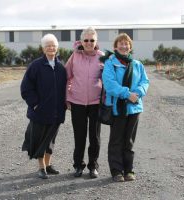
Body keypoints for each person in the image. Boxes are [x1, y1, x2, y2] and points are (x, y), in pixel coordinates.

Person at [101, 33, 149, 182]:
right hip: (117, 108)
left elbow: (145, 82)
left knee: (129, 141)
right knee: (116, 141)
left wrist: (138, 93)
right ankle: (116, 171)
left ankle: (129, 170)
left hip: (134, 108)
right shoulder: (110, 63)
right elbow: (109, 84)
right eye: (120, 43)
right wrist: (127, 94)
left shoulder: (137, 65)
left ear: (130, 46)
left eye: (126, 43)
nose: (124, 46)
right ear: (115, 47)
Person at [20, 34, 67, 179]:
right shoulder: (36, 66)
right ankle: (41, 168)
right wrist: (34, 104)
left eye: (53, 45)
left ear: (57, 47)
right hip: (40, 112)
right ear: (43, 48)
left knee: (51, 140)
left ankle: (48, 165)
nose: (51, 48)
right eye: (48, 45)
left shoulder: (61, 67)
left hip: (57, 112)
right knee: (40, 140)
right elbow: (26, 88)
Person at [65, 27, 104, 178]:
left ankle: (93, 166)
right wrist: (67, 97)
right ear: (81, 41)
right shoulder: (74, 56)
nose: (89, 43)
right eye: (86, 40)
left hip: (96, 103)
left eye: (92, 40)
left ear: (96, 41)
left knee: (95, 137)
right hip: (77, 102)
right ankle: (78, 165)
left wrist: (105, 99)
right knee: (79, 136)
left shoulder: (102, 56)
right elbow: (66, 76)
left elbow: (108, 79)